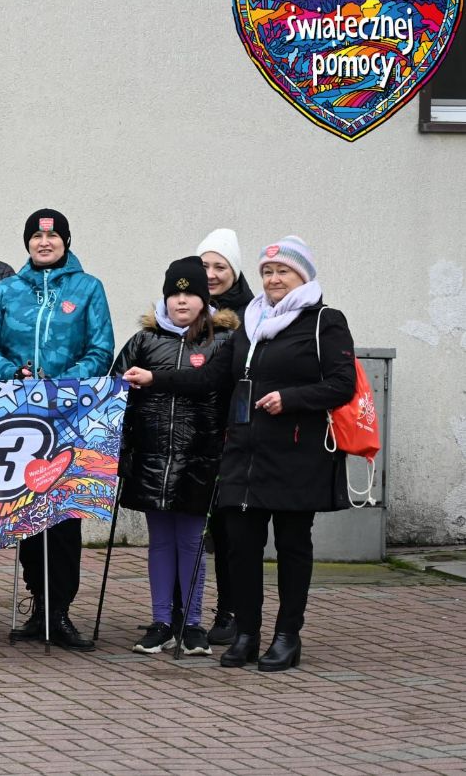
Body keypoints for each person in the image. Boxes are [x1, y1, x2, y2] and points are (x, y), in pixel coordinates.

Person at [123, 236, 356, 672]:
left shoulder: (324, 321)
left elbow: (343, 385)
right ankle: (247, 633)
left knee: (291, 546)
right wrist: (155, 377)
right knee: (242, 549)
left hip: (296, 454)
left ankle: (287, 636)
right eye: (268, 272)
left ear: (303, 275)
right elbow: (210, 377)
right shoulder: (251, 321)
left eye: (283, 271)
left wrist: (291, 398)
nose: (273, 279)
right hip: (245, 454)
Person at [0, 209, 113, 650]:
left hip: (69, 421)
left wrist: (63, 386)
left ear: (66, 241)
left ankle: (60, 610)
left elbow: (101, 348)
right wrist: (10, 373)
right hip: (19, 421)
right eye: (36, 237)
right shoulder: (8, 290)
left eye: (52, 237)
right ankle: (37, 603)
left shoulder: (88, 288)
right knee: (27, 513)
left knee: (62, 517)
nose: (44, 243)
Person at [111, 256, 239, 656]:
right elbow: (115, 392)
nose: (181, 302)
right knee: (160, 542)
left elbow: (228, 396)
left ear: (204, 299)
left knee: (191, 542)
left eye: (190, 294)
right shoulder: (144, 341)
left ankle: (195, 624)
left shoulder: (222, 341)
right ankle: (161, 621)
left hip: (199, 459)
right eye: (174, 294)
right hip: (151, 457)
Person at [196, 227, 255, 646]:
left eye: (221, 266)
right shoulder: (183, 311)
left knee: (233, 529)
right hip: (193, 435)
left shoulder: (253, 315)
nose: (212, 274)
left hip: (233, 435)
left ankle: (231, 610)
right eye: (205, 266)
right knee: (201, 527)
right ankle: (181, 611)